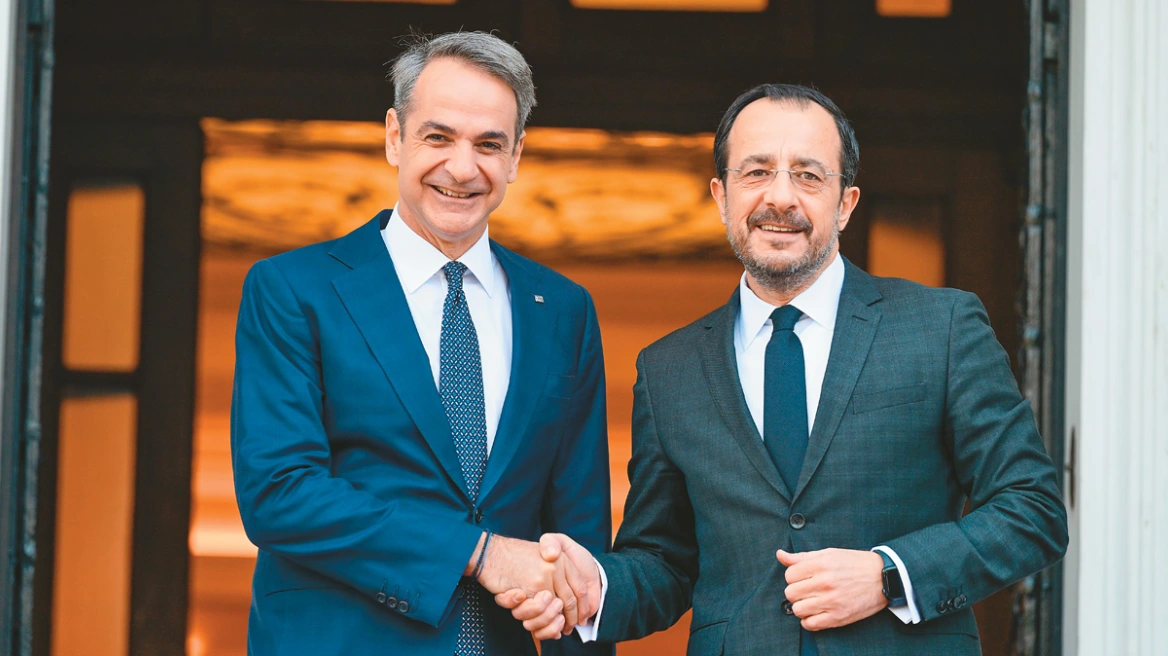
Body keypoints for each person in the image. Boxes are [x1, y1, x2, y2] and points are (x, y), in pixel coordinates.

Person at [503, 83, 1069, 655]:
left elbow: (1033, 509)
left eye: (808, 175)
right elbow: (666, 562)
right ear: (721, 196)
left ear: (845, 203)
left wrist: (888, 575)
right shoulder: (668, 369)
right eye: (756, 172)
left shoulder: (941, 327)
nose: (780, 197)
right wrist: (594, 587)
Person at [231, 31, 612, 656]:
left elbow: (579, 538)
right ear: (394, 137)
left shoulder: (563, 310)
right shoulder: (293, 289)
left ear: (516, 156)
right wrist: (479, 552)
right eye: (438, 137)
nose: (462, 168)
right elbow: (279, 493)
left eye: (489, 144)